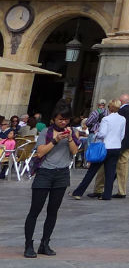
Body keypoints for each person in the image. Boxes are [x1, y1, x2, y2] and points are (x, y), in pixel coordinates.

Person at [24, 102, 79, 258]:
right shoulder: (46, 132)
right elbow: (40, 153)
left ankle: (45, 243)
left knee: (52, 211)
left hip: (61, 174)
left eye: (66, 119)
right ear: (54, 118)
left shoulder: (72, 132)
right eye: (61, 119)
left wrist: (69, 138)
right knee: (35, 210)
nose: (63, 122)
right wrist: (55, 140)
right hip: (45, 173)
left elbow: (74, 152)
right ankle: (29, 245)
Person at [72, 98, 124, 201]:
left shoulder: (106, 119)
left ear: (111, 107)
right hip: (116, 147)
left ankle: (78, 192)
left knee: (92, 171)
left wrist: (96, 133)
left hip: (104, 147)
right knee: (110, 172)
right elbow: (122, 135)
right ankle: (107, 194)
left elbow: (102, 134)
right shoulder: (123, 119)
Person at [114, 93, 129, 198]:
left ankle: (100, 188)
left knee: (109, 167)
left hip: (120, 143)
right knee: (123, 167)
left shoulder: (121, 112)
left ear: (121, 102)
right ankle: (122, 190)